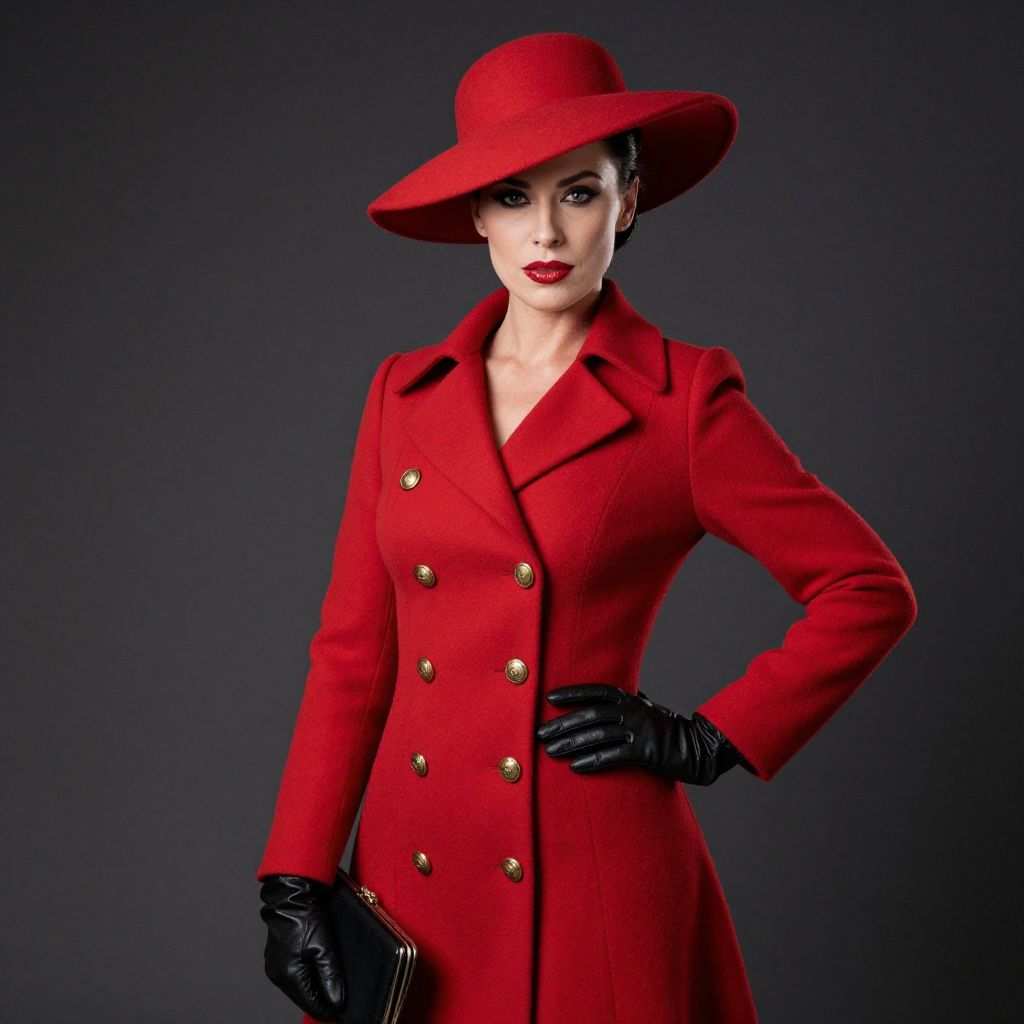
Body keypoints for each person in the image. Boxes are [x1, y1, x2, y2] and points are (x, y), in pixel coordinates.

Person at [255, 31, 917, 1024]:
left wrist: (704, 738)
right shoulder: (404, 393)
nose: (546, 232)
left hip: (584, 866)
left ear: (629, 201)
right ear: (476, 212)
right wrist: (295, 873)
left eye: (579, 190)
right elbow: (352, 654)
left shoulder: (680, 399)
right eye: (515, 196)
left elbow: (868, 590)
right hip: (414, 870)